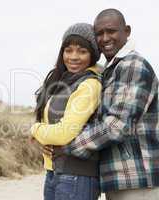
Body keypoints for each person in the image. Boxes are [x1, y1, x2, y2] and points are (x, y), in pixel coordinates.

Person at [55, 9, 159, 200]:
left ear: (127, 31)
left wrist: (67, 146)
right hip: (119, 178)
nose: (105, 38)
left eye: (111, 31)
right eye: (99, 33)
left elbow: (117, 125)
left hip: (138, 179)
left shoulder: (133, 65)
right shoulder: (110, 70)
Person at [30, 23, 102, 200]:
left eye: (82, 51)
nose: (73, 57)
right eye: (68, 50)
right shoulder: (63, 81)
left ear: (92, 54)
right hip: (54, 172)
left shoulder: (89, 85)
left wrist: (34, 130)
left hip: (77, 176)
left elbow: (64, 133)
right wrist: (44, 136)